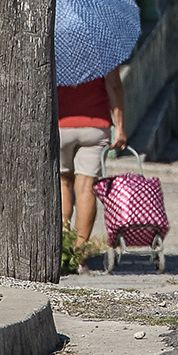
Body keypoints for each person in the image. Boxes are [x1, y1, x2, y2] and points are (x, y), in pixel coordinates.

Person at [58, 64, 126, 245]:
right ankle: (78, 254)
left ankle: (62, 247)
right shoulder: (102, 47)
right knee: (86, 187)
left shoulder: (55, 46)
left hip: (59, 124)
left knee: (63, 182)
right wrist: (119, 127)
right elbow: (114, 86)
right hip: (95, 126)